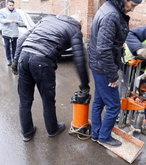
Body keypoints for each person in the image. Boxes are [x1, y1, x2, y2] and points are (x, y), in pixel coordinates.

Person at [11, 14, 90, 142]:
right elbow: (79, 59)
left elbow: (21, 40)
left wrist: (15, 62)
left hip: (24, 57)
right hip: (42, 61)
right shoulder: (74, 29)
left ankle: (27, 132)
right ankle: (52, 129)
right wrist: (84, 83)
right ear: (78, 21)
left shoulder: (46, 20)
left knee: (24, 100)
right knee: (48, 100)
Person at [88, 0, 144, 147]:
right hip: (104, 68)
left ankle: (96, 133)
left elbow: (104, 40)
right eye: (132, 4)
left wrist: (119, 43)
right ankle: (104, 137)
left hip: (97, 65)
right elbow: (103, 49)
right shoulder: (112, 14)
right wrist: (112, 76)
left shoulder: (107, 7)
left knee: (99, 101)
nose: (132, 9)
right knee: (113, 106)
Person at [0, 0, 24, 66]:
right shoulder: (2, 11)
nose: (11, 6)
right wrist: (7, 21)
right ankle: (9, 60)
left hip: (14, 33)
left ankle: (14, 60)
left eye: (12, 5)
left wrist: (17, 22)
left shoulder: (17, 12)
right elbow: (0, 19)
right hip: (6, 32)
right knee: (7, 46)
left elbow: (21, 22)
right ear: (7, 5)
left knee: (14, 47)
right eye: (10, 5)